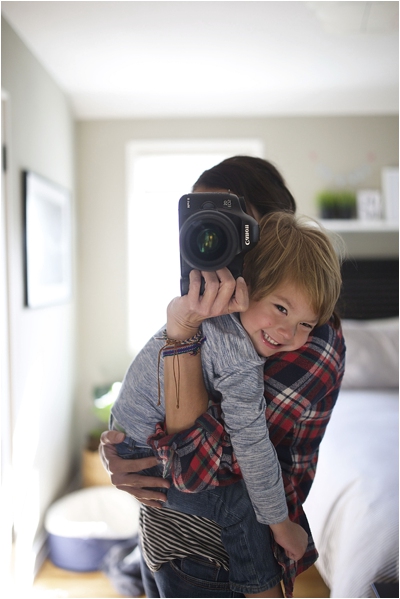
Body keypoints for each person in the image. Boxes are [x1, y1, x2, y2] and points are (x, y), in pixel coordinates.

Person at [100, 156, 346, 598]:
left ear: (266, 231)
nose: (211, 234)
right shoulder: (220, 315)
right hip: (165, 533)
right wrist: (119, 452)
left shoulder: (306, 339)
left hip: (211, 556)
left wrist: (182, 335)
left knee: (238, 506)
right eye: (199, 221)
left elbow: (198, 465)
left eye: (229, 221)